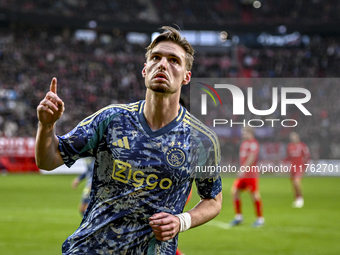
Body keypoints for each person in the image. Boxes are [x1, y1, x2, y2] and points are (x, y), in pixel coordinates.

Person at [35, 26, 222, 255]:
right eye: (156, 57)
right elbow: (48, 160)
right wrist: (46, 125)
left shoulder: (201, 140)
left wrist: (181, 221)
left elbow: (213, 199)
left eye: (174, 60)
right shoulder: (111, 119)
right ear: (145, 69)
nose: (162, 64)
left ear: (186, 76)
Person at [229, 126, 264, 227]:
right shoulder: (244, 143)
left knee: (254, 195)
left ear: (250, 133)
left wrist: (243, 169)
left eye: (245, 132)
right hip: (244, 174)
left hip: (251, 174)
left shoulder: (253, 144)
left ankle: (260, 219)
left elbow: (251, 158)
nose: (243, 134)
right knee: (234, 192)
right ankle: (239, 217)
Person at [286, 131, 310, 208]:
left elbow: (307, 157)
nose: (292, 138)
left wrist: (306, 167)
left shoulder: (302, 146)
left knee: (297, 182)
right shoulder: (289, 146)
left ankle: (300, 198)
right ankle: (297, 199)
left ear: (297, 137)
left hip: (300, 167)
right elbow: (288, 157)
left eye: (294, 136)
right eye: (291, 137)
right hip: (292, 167)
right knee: (293, 184)